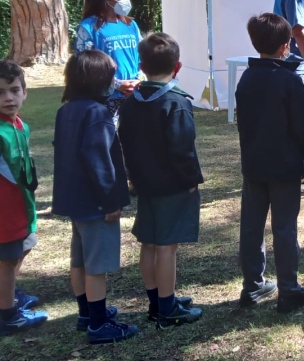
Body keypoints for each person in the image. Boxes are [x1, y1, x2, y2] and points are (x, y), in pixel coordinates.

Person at [52, 51, 139, 344]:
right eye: (110, 76)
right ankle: (99, 324)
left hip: (74, 200)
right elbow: (99, 160)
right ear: (98, 80)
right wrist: (109, 200)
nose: (114, 81)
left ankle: (86, 312)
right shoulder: (98, 114)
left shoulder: (66, 110)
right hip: (95, 203)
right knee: (96, 265)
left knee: (79, 259)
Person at [118, 33, 204, 328]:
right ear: (177, 67)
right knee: (166, 247)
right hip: (172, 186)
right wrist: (191, 180)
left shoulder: (130, 103)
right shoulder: (175, 102)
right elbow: (182, 148)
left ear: (141, 66)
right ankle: (166, 308)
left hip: (144, 184)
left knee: (150, 243)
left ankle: (157, 301)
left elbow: (124, 142)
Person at [235, 14, 304, 313]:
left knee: (251, 226)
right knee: (284, 228)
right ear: (285, 46)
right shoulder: (289, 80)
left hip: (254, 164)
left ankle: (252, 285)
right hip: (284, 166)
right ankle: (288, 289)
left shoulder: (247, 78)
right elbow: (300, 126)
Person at [0, 61, 48, 336]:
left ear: (24, 92)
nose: (8, 97)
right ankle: (8, 315)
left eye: (14, 90)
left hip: (22, 206)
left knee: (24, 246)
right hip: (4, 211)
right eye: (0, 92)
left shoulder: (19, 125)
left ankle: (8, 293)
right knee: (6, 260)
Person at [73, 0, 142, 119]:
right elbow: (85, 65)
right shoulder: (88, 27)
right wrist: (117, 84)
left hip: (135, 93)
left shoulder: (130, 24)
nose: (126, 0)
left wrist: (139, 80)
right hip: (105, 97)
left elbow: (142, 55)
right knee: (110, 139)